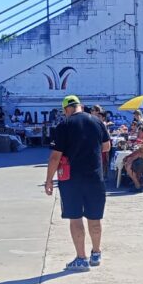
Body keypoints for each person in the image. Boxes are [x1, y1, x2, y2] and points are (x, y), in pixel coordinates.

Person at [45, 95, 110, 272]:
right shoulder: (97, 122)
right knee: (94, 218)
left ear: (67, 109)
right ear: (80, 106)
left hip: (71, 179)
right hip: (95, 178)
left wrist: (49, 180)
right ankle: (96, 253)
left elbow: (55, 157)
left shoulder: (64, 125)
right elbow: (106, 147)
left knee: (75, 218)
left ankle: (81, 259)